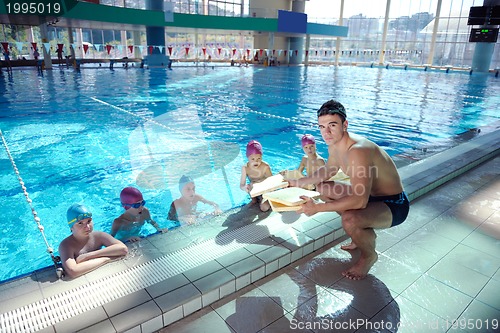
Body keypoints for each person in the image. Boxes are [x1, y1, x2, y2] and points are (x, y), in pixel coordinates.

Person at [289, 100, 410, 280]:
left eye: (332, 125)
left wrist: (316, 208)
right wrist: (299, 181)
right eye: (322, 127)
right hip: (370, 197)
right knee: (323, 187)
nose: (326, 132)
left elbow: (359, 201)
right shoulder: (336, 145)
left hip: (393, 204)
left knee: (350, 220)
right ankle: (360, 233)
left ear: (345, 125)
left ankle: (369, 255)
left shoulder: (358, 150)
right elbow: (329, 170)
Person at [58, 204, 128, 279]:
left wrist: (88, 256)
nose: (87, 227)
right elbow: (73, 271)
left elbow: (123, 249)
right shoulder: (66, 245)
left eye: (89, 221)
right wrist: (106, 259)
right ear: (71, 227)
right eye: (80, 223)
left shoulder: (98, 236)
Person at [240, 140, 272, 212]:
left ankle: (262, 199)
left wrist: (262, 185)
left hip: (265, 190)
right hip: (254, 189)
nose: (256, 161)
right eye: (252, 159)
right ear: (247, 157)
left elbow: (272, 182)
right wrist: (245, 188)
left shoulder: (265, 166)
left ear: (262, 156)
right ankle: (254, 200)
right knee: (251, 185)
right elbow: (242, 185)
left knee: (265, 208)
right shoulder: (245, 168)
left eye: (259, 158)